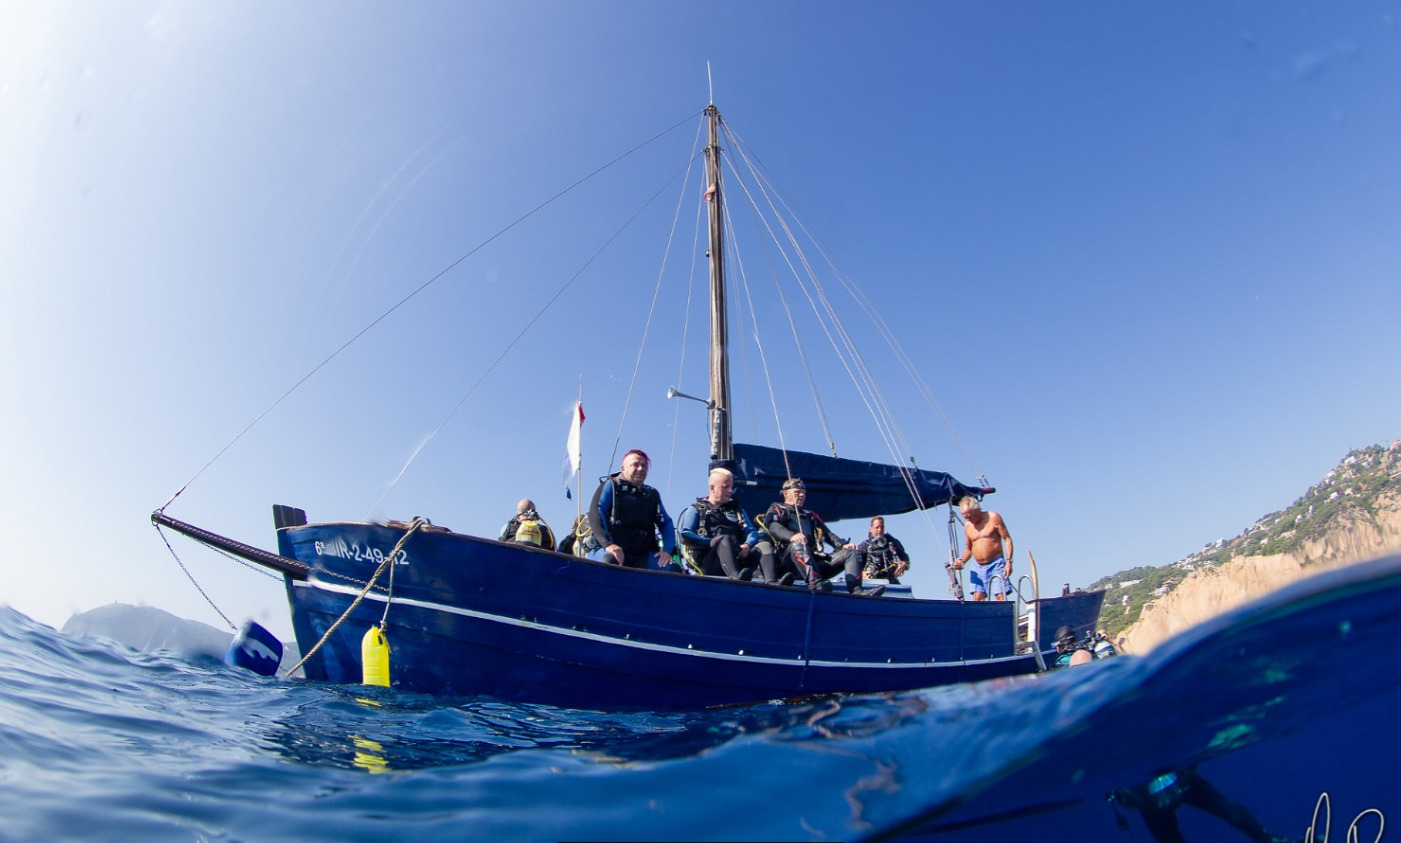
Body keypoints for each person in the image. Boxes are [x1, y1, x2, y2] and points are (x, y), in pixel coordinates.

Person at [762, 478, 883, 596]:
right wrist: (791, 536)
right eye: (797, 493)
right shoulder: (776, 508)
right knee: (798, 545)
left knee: (852, 552)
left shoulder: (811, 515)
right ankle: (816, 583)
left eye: (803, 493)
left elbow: (827, 534)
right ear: (785, 493)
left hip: (814, 561)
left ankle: (856, 590)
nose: (801, 495)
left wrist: (842, 545)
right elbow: (772, 525)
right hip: (789, 563)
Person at [586, 449, 678, 570]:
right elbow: (596, 512)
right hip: (609, 549)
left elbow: (666, 523)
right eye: (635, 464)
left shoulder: (652, 494)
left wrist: (667, 551)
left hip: (641, 555)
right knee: (610, 562)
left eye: (644, 465)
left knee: (673, 569)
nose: (640, 468)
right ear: (623, 468)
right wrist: (607, 544)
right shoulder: (612, 486)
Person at [677, 468, 765, 581]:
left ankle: (772, 583)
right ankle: (736, 579)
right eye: (725, 487)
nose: (730, 491)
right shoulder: (696, 509)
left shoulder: (737, 511)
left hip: (738, 558)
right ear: (712, 488)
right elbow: (685, 535)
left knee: (763, 546)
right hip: (709, 563)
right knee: (724, 539)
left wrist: (747, 545)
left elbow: (751, 531)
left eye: (731, 487)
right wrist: (711, 542)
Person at [954, 496, 1014, 601]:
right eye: (964, 517)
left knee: (1000, 597)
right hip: (977, 566)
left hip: (995, 564)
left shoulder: (993, 517)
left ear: (976, 510)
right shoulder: (968, 526)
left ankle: (1002, 616)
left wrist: (1009, 561)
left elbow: (1007, 539)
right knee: (977, 599)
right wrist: (961, 561)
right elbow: (968, 549)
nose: (967, 519)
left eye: (969, 516)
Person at [857, 516, 910, 583]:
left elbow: (905, 557)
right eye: (877, 527)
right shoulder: (864, 546)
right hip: (871, 582)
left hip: (891, 581)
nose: (880, 530)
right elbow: (854, 564)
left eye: (882, 527)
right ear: (870, 529)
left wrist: (904, 563)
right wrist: (861, 573)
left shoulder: (892, 542)